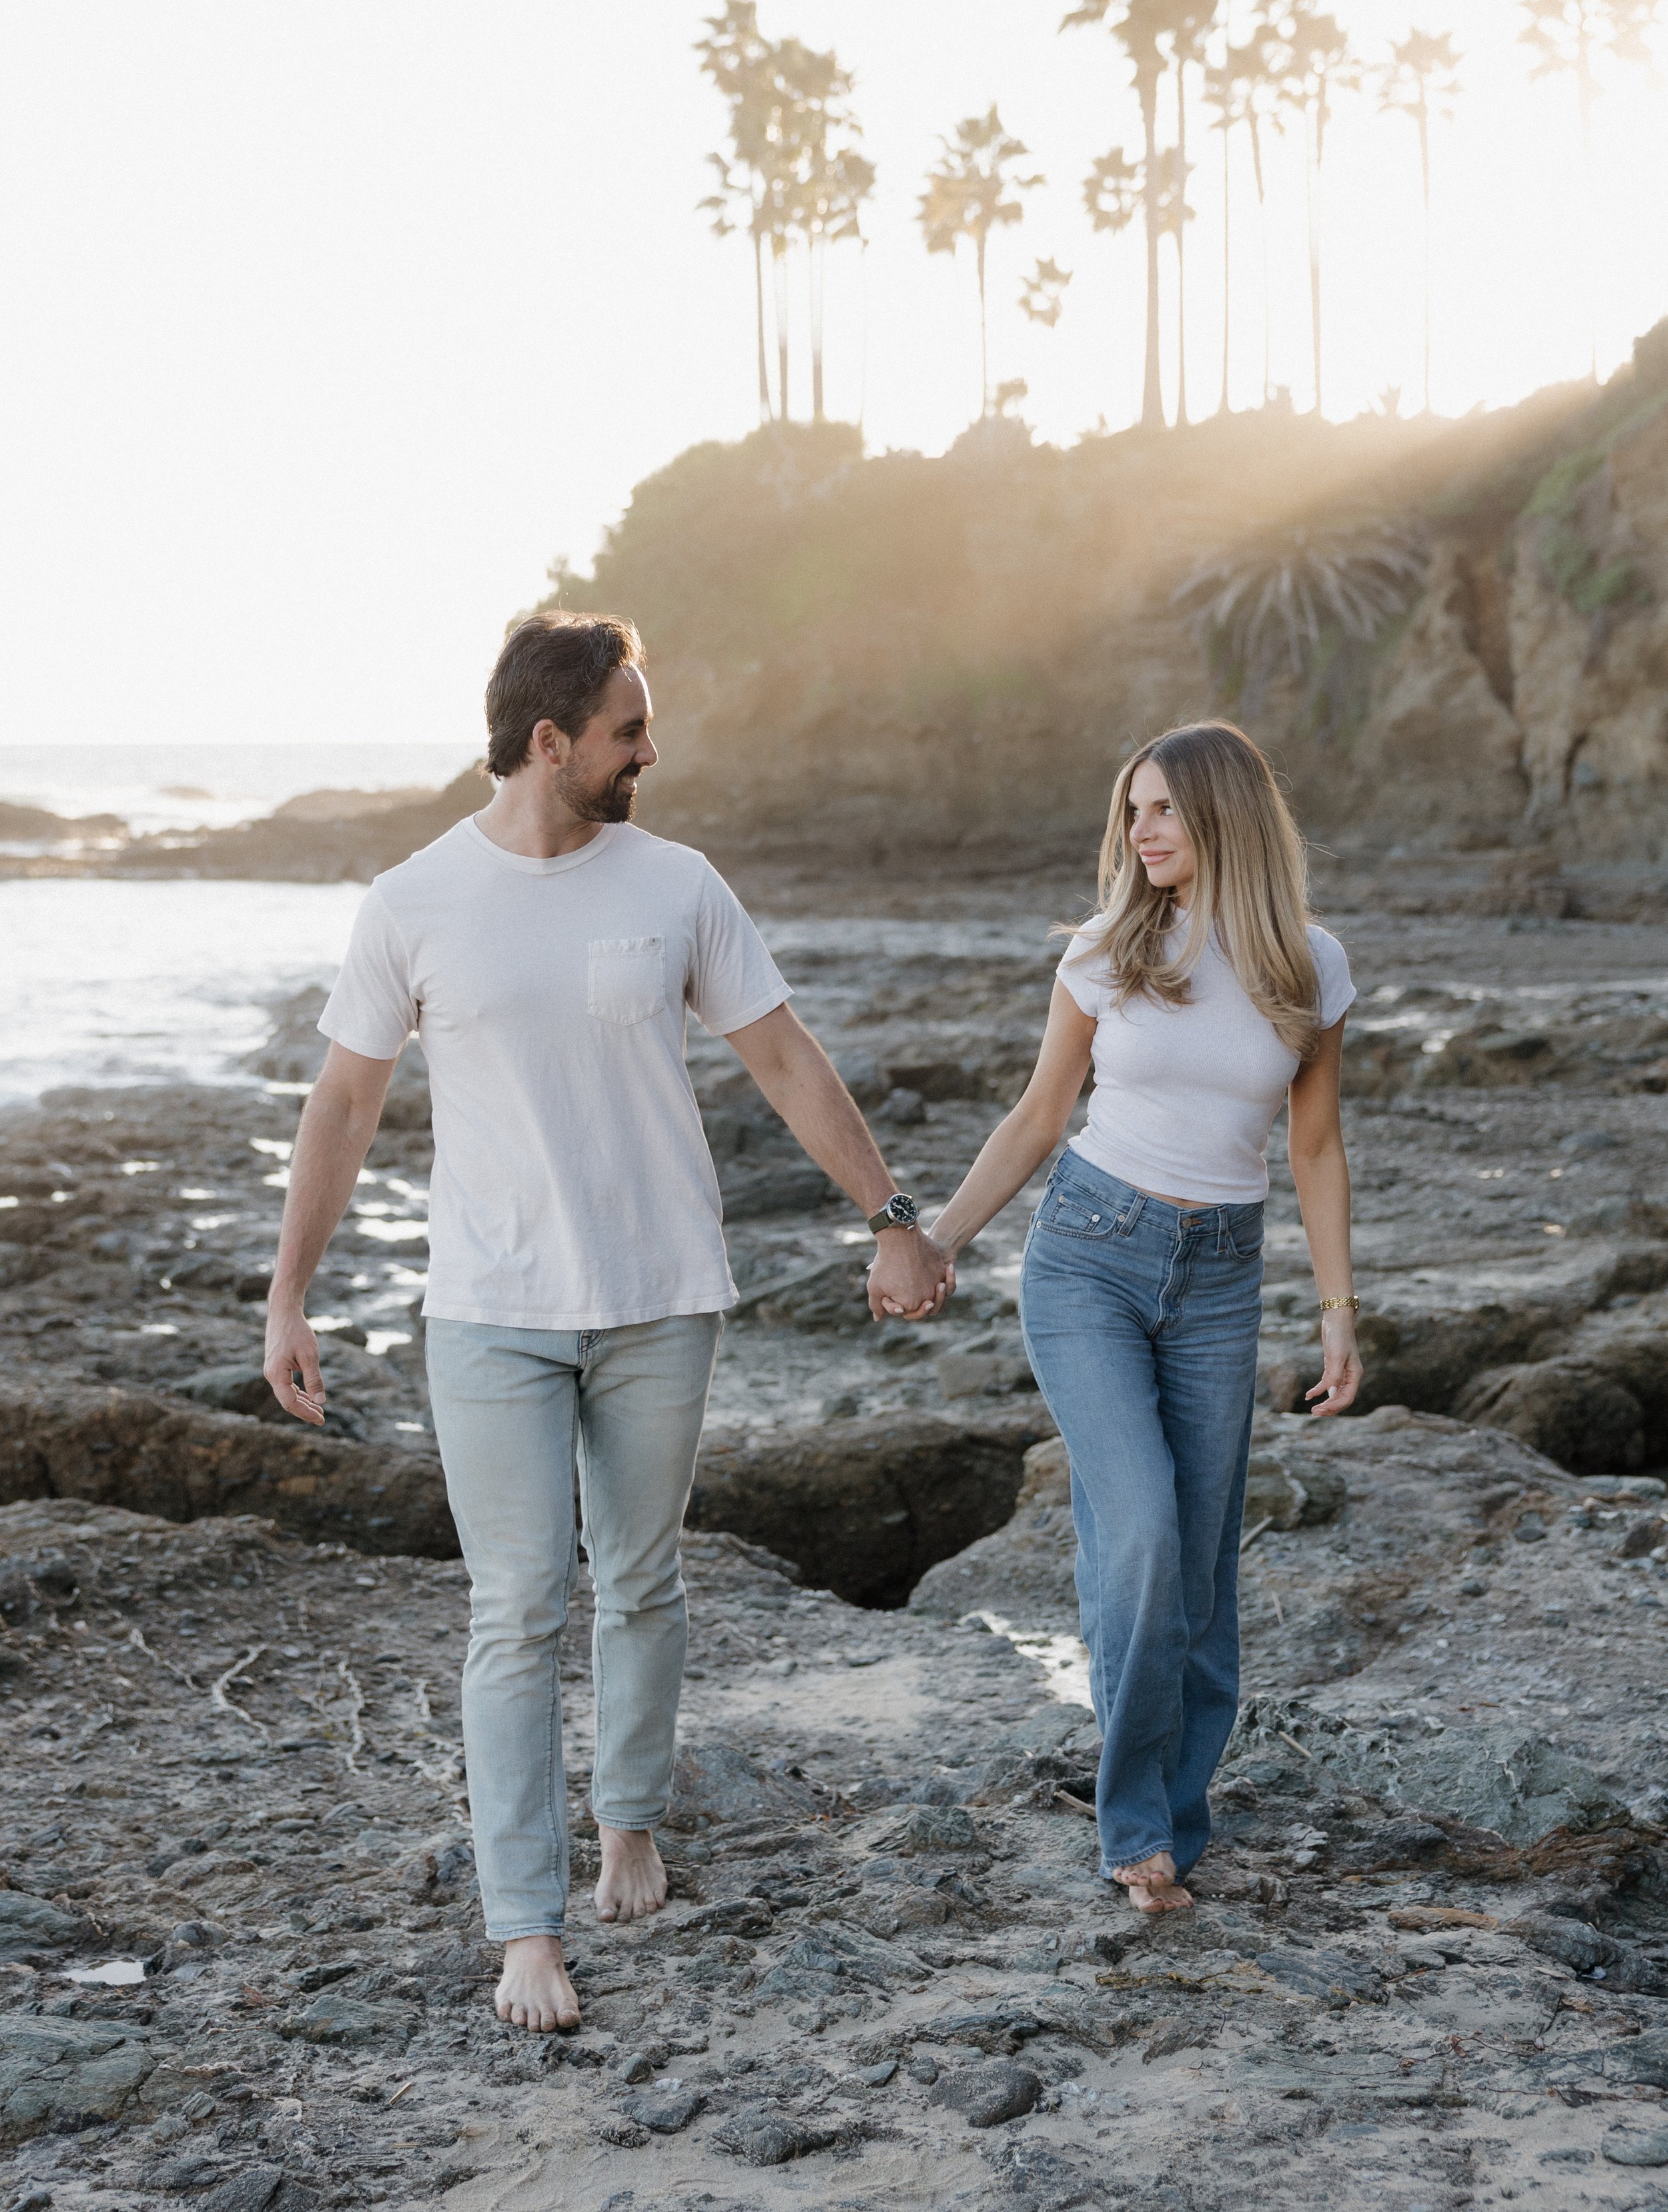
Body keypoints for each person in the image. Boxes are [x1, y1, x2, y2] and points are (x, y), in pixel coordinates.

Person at [261, 612, 951, 2033]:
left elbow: (779, 1054)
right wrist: (288, 1294)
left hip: (657, 1302)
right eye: (629, 729)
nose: (651, 749)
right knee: (515, 1614)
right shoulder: (413, 901)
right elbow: (341, 1103)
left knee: (640, 1583)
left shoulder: (679, 883)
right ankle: (527, 1923)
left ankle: (628, 1817)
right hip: (489, 1313)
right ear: (550, 742)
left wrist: (892, 1216)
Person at [927, 720, 1359, 1914]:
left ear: (1222, 814)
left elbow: (1314, 1145)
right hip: (1088, 1263)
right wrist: (939, 1237)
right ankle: (1132, 1829)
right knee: (1146, 1533)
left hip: (1221, 1276)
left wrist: (1337, 1311)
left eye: (1160, 808)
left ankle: (1179, 1812)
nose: (1140, 830)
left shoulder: (1310, 966)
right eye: (1132, 811)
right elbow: (1035, 1116)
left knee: (1204, 1572)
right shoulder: (1109, 951)